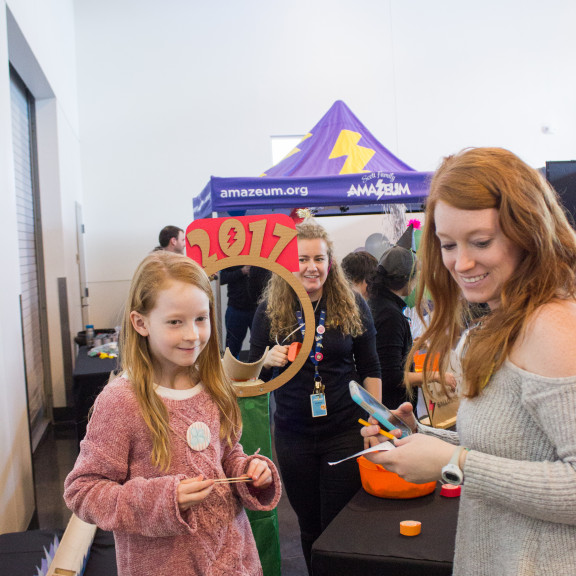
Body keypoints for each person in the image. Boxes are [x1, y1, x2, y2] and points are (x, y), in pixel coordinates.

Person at [361, 147, 576, 576]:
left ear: (528, 231)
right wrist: (421, 439)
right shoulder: (501, 321)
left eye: (481, 242)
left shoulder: (553, 328)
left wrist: (452, 464)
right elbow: (517, 451)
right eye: (447, 245)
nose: (462, 263)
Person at [64, 251, 281, 576]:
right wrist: (163, 500)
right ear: (141, 323)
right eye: (175, 322)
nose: (192, 334)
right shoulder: (122, 401)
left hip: (233, 561)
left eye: (201, 318)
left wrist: (249, 469)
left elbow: (227, 454)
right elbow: (83, 490)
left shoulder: (212, 383)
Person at [249, 219, 381, 574]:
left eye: (319, 259)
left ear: (330, 261)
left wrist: (376, 421)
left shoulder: (351, 303)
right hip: (293, 435)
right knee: (309, 525)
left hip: (345, 429)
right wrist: (266, 360)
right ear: (287, 265)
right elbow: (250, 378)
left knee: (339, 523)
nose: (311, 267)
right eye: (302, 259)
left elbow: (370, 367)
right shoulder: (270, 310)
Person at [368, 243, 456, 412]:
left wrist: (411, 347)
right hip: (395, 410)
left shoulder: (379, 303)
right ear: (408, 278)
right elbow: (392, 376)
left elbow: (384, 354)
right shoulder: (390, 315)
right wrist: (436, 376)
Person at [220, 265, 258, 358]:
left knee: (261, 345)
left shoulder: (259, 256)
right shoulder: (231, 257)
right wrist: (241, 271)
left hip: (257, 308)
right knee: (232, 348)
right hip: (236, 308)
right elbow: (220, 279)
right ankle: (230, 372)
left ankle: (261, 371)